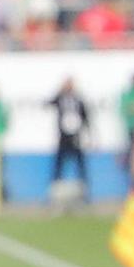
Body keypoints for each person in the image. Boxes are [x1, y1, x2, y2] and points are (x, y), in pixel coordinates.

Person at [46, 75, 92, 207]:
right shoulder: (60, 98)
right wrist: (59, 91)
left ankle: (84, 195)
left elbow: (86, 117)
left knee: (81, 166)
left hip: (76, 138)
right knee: (58, 167)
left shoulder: (78, 100)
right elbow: (49, 103)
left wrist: (90, 136)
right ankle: (53, 196)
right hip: (63, 138)